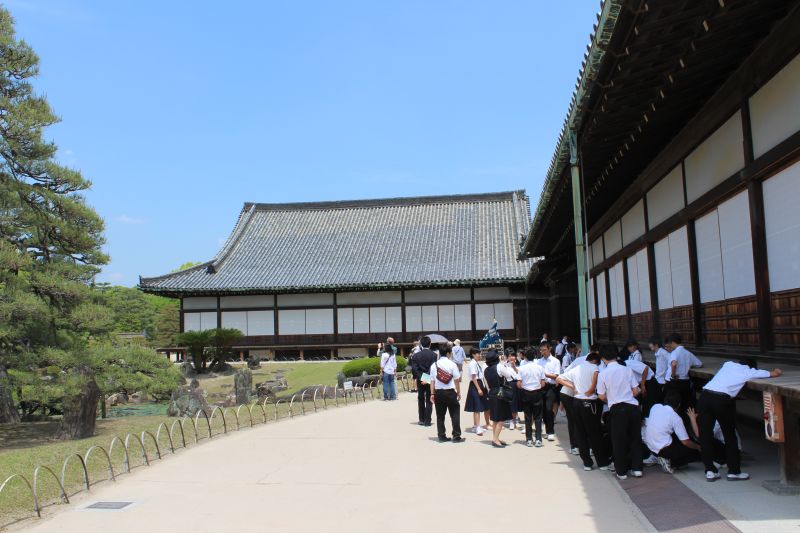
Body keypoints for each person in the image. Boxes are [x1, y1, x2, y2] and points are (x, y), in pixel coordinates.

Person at [697, 358, 782, 482]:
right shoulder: (749, 372)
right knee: (730, 436)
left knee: (705, 436)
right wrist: (777, 370)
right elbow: (774, 374)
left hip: (704, 397)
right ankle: (734, 472)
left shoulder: (728, 364)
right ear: (752, 367)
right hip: (721, 400)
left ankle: (710, 471)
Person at [597, 343, 644, 480]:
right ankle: (637, 469)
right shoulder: (626, 369)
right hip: (633, 407)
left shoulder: (603, 374)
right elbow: (636, 390)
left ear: (603, 358)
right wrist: (627, 396)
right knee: (635, 438)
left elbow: (601, 395)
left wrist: (611, 399)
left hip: (617, 408)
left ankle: (622, 471)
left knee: (619, 440)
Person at [558, 351, 611, 471]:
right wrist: (591, 389)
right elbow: (596, 379)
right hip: (590, 402)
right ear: (595, 361)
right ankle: (602, 463)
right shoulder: (595, 367)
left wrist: (573, 387)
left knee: (580, 432)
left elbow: (559, 378)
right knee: (594, 433)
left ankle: (587, 463)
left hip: (576, 401)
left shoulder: (577, 368)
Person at [643, 391, 701, 474]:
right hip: (663, 449)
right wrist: (698, 447)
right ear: (679, 405)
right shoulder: (675, 417)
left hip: (650, 446)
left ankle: (657, 457)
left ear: (665, 400)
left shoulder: (655, 406)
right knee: (693, 451)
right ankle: (669, 462)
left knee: (673, 436)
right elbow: (685, 442)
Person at [484, 350, 519, 448]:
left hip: (492, 393)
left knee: (495, 417)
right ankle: (495, 440)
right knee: (501, 418)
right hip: (500, 393)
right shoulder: (499, 367)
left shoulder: (486, 369)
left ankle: (495, 438)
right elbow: (509, 376)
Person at [429, 344, 463, 443]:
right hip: (450, 392)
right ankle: (456, 436)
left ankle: (441, 436)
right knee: (455, 414)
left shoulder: (434, 365)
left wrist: (432, 394)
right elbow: (456, 380)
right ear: (448, 353)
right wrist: (459, 392)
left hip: (438, 393)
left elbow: (432, 381)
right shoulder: (452, 364)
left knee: (440, 415)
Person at [664, 333, 703, 414]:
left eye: (670, 343)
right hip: (685, 382)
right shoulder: (688, 353)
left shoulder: (675, 352)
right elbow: (700, 364)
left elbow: (674, 363)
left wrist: (673, 374)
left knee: (672, 405)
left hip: (675, 381)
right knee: (684, 404)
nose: (670, 345)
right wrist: (688, 365)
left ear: (673, 342)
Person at [517, 347, 546, 447]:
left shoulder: (521, 368)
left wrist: (525, 387)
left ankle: (529, 439)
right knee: (538, 417)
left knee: (528, 417)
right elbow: (543, 383)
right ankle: (538, 439)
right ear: (535, 356)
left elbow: (519, 384)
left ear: (525, 357)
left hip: (526, 393)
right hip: (537, 392)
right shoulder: (540, 368)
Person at [535, 340, 561, 441]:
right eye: (541, 350)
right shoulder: (539, 361)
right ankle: (546, 429)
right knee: (541, 409)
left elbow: (556, 376)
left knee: (548, 408)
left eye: (544, 350)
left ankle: (550, 431)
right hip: (540, 386)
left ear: (549, 349)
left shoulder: (555, 361)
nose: (543, 352)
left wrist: (544, 373)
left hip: (551, 386)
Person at [411, 336, 437, 426]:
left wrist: (422, 378)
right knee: (430, 398)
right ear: (430, 344)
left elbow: (414, 369)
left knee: (421, 398)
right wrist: (427, 378)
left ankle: (421, 419)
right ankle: (428, 420)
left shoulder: (415, 356)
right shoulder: (434, 355)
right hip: (430, 380)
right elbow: (433, 369)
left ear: (421, 344)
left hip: (420, 379)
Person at [559, 342, 579, 454]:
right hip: (568, 392)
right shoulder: (567, 358)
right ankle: (574, 445)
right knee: (573, 420)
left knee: (574, 420)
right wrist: (573, 386)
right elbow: (564, 373)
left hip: (569, 393)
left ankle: (576, 445)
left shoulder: (575, 358)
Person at [464, 348, 490, 435]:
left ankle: (476, 425)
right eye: (477, 354)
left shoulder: (476, 363)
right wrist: (479, 388)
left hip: (477, 384)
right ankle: (478, 427)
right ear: (473, 354)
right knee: (477, 407)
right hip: (476, 384)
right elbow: (474, 377)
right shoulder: (472, 364)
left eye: (479, 353)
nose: (479, 355)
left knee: (477, 406)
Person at [648, 337, 670, 405]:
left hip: (662, 380)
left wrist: (667, 376)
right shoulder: (658, 353)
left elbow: (671, 362)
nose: (650, 348)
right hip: (658, 379)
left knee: (660, 399)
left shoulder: (663, 352)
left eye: (651, 346)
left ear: (656, 345)